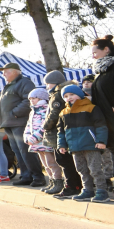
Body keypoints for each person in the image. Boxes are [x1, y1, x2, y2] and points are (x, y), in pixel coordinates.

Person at [57, 84, 109, 203]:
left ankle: (102, 191)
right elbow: (61, 131)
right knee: (81, 169)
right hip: (74, 146)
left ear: (79, 95)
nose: (69, 97)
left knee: (95, 168)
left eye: (72, 94)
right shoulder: (63, 112)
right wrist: (62, 144)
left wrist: (101, 141)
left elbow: (101, 125)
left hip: (91, 144)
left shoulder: (91, 108)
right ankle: (87, 190)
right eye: (65, 96)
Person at [0, 62, 45, 187]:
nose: (3, 74)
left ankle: (38, 177)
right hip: (10, 123)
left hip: (19, 122)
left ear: (14, 71)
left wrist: (15, 113)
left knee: (25, 150)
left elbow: (28, 100)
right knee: (18, 151)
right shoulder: (9, 85)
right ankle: (26, 176)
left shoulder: (24, 82)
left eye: (6, 71)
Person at [43, 70, 83, 198]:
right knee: (67, 160)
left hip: (59, 132)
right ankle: (76, 185)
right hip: (63, 131)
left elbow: (54, 114)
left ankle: (72, 186)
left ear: (54, 83)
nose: (47, 86)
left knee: (64, 160)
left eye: (48, 83)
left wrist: (45, 126)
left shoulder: (57, 95)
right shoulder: (59, 93)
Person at [24, 88, 62, 191]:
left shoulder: (44, 110)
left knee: (51, 163)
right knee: (45, 164)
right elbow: (28, 125)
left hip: (45, 142)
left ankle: (58, 181)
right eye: (30, 98)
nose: (31, 100)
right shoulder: (33, 111)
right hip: (36, 143)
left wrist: (35, 137)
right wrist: (27, 136)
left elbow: (44, 127)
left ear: (41, 98)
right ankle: (51, 181)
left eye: (34, 98)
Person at [89, 35, 114, 192]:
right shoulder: (101, 70)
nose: (93, 56)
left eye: (95, 52)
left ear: (106, 49)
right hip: (106, 119)